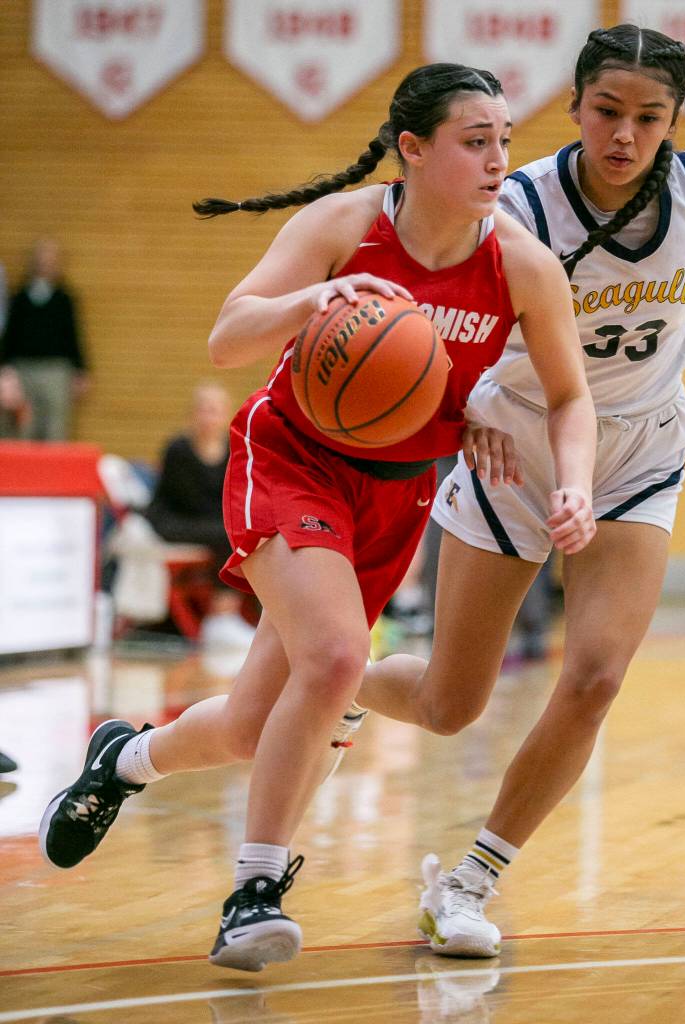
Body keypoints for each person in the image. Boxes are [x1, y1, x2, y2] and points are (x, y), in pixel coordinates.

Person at [38, 63, 597, 972]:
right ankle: (254, 889)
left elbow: (571, 398)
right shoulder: (344, 226)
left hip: (398, 492)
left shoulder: (523, 267)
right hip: (292, 461)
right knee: (338, 660)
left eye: (506, 141)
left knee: (257, 726)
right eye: (476, 141)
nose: (501, 160)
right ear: (413, 150)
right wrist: (308, 302)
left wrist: (570, 481)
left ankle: (124, 760)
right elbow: (227, 338)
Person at [351, 24, 685, 958]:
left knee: (594, 679)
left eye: (649, 117)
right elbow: (442, 323)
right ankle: (345, 686)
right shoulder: (520, 204)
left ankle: (469, 882)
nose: (625, 134)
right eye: (607, 112)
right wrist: (466, 408)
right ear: (575, 107)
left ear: (674, 119)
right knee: (448, 704)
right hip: (516, 447)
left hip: (637, 453)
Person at [144, 381, 255, 647]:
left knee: (239, 533)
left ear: (226, 414)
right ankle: (222, 618)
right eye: (203, 409)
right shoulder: (178, 449)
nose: (208, 416)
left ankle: (233, 615)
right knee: (226, 534)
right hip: (173, 520)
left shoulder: (234, 449)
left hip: (210, 523)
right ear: (192, 414)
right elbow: (184, 500)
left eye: (214, 410)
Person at [0, 239, 88, 441]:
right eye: (42, 259)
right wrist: (5, 366)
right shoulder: (20, 297)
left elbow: (72, 335)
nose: (46, 264)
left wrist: (80, 369)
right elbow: (10, 335)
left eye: (50, 260)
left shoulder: (63, 298)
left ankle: (55, 470)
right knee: (23, 424)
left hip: (55, 369)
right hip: (23, 368)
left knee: (55, 423)